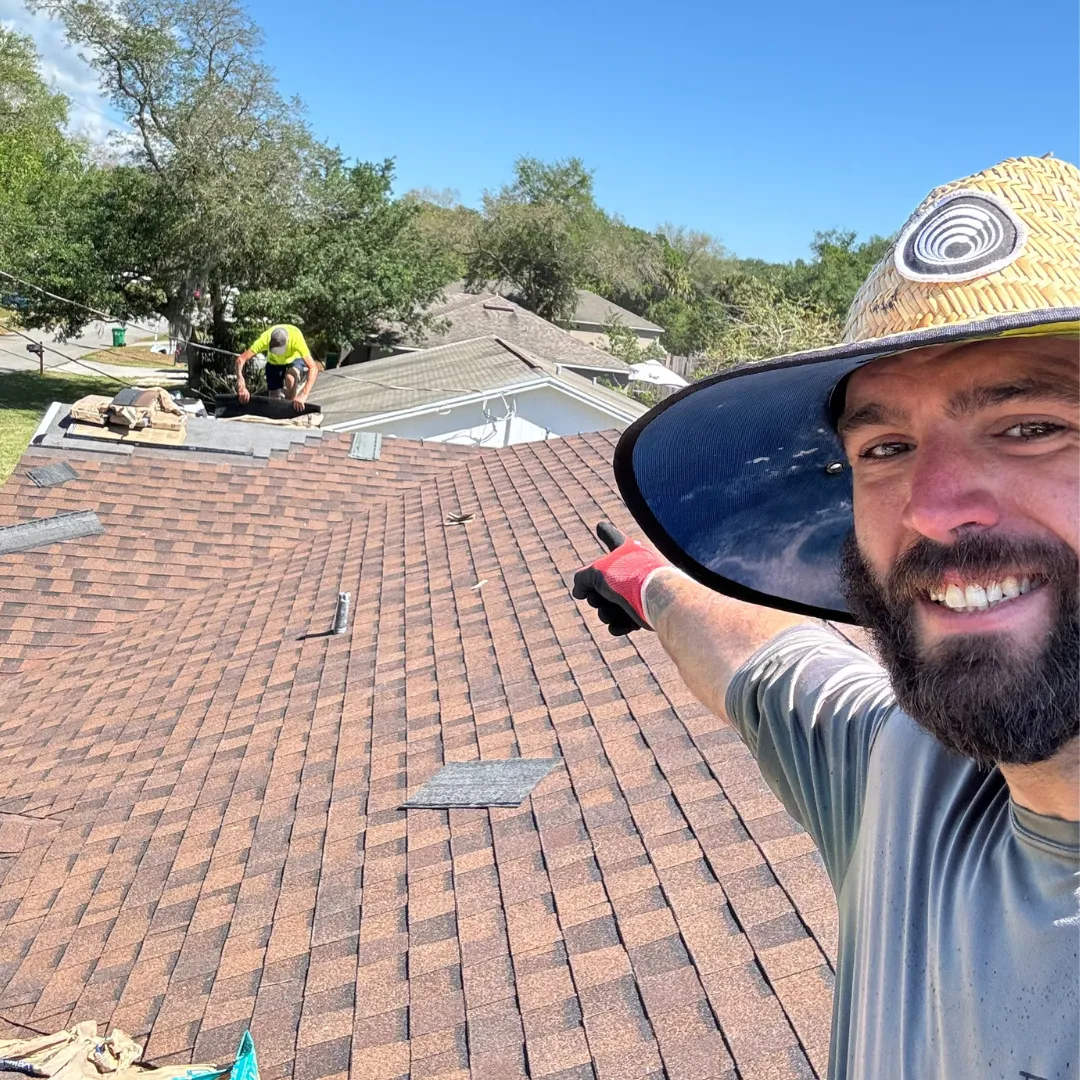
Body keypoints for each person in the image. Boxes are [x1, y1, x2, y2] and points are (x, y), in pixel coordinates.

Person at [573, 156, 1079, 1079]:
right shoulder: (911, 781)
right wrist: (649, 582)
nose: (928, 508)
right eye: (885, 447)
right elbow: (768, 665)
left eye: (1031, 426)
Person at [235, 324, 318, 411]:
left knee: (290, 378)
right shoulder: (265, 339)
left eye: (280, 351)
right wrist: (241, 384)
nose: (278, 353)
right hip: (274, 362)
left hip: (294, 359)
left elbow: (313, 368)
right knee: (273, 399)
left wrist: (304, 394)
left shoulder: (296, 338)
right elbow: (240, 360)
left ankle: (290, 409)